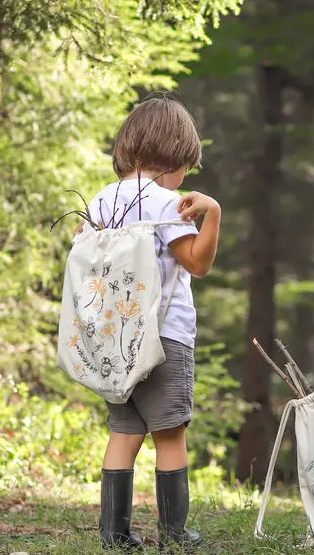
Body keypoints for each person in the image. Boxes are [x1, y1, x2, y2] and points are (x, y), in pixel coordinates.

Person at [82, 95, 221, 550]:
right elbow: (196, 264)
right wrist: (212, 214)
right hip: (165, 337)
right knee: (169, 434)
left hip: (114, 339)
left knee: (124, 431)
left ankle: (114, 534)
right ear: (176, 157)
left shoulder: (101, 198)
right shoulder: (167, 202)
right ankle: (174, 534)